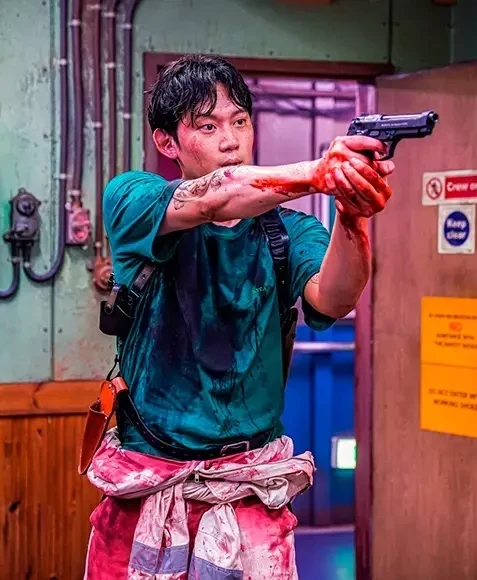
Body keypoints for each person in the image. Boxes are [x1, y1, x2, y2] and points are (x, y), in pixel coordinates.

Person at [82, 54, 395, 579]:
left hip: (251, 486)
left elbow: (334, 298)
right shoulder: (133, 198)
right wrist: (319, 172)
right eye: (207, 126)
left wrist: (351, 213)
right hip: (147, 484)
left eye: (240, 121)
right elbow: (214, 200)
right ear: (167, 142)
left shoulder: (288, 231)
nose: (230, 140)